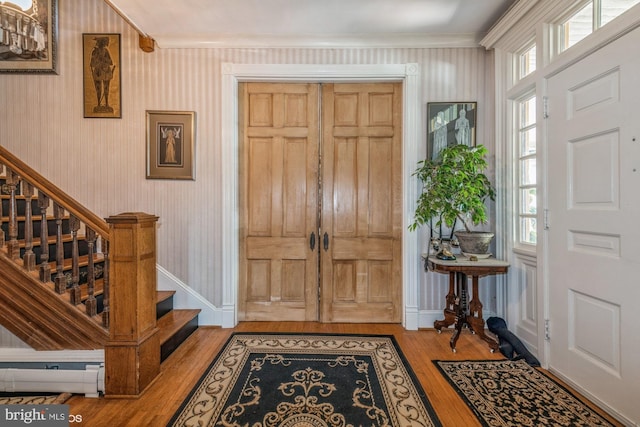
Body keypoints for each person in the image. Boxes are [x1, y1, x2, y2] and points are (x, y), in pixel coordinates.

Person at [90, 36, 115, 113]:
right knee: (98, 88)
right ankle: (98, 104)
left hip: (106, 72)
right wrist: (98, 61)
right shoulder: (95, 51)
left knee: (106, 88)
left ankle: (107, 104)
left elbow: (111, 62)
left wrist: (104, 60)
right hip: (98, 72)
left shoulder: (106, 51)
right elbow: (92, 64)